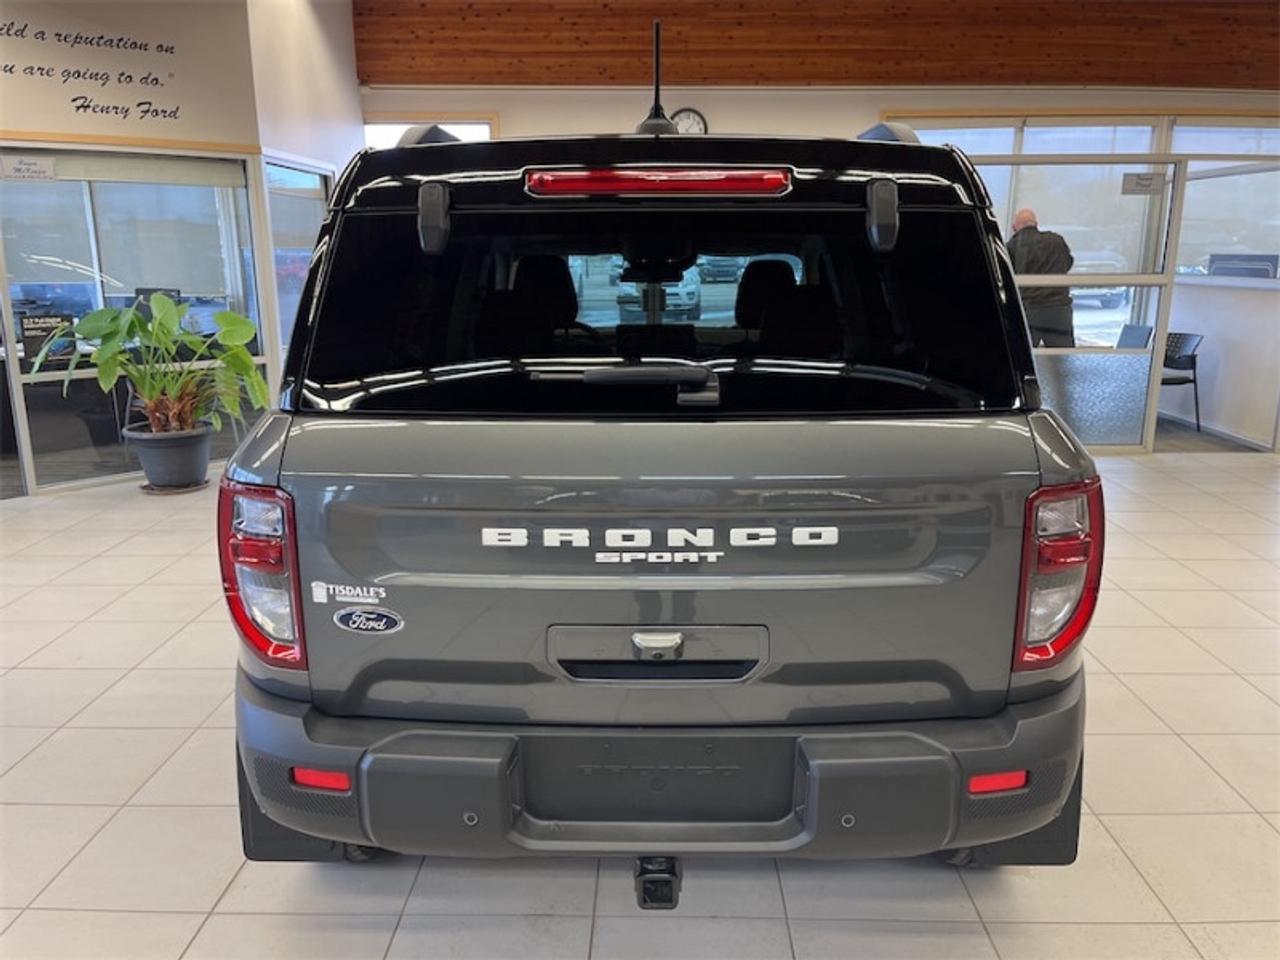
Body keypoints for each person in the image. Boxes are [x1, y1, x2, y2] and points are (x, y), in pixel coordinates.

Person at [1006, 209, 1075, 347]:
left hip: (1029, 309)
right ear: (1036, 224)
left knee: (1023, 358)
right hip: (1059, 309)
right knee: (1063, 358)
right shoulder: (1057, 240)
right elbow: (1068, 263)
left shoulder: (1011, 247)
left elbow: (1007, 276)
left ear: (1014, 228)